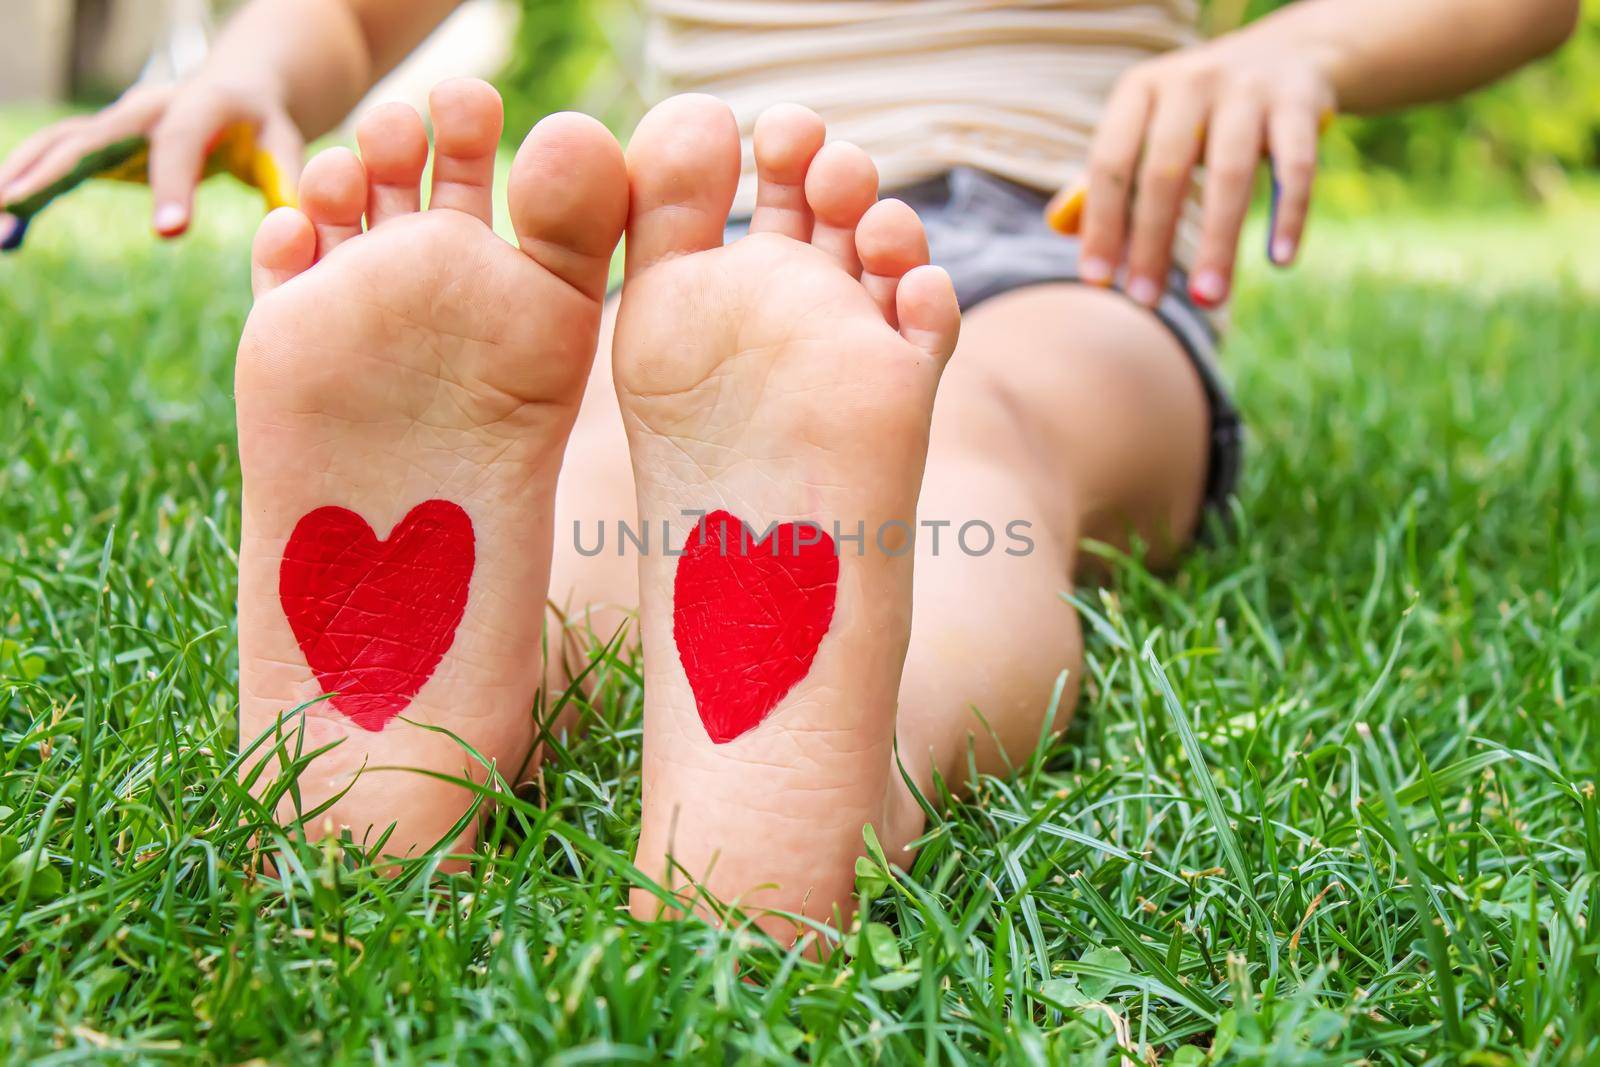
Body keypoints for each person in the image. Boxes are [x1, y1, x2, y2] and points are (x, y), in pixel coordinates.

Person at [0, 0, 1576, 944]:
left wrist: (1311, 41)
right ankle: (442, 704)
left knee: (955, 442)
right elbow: (345, 16)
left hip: (1074, 249)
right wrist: (261, 61)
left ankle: (790, 756)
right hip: (719, 283)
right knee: (698, 461)